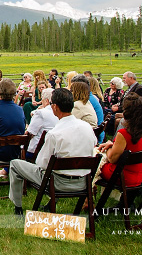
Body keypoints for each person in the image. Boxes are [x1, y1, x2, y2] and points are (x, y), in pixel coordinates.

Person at [8, 88, 98, 216]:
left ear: (55, 107)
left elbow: (41, 164)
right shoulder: (87, 127)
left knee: (15, 164)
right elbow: (93, 145)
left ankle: (18, 207)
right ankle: (49, 205)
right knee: (58, 167)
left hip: (57, 184)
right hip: (83, 182)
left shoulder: (54, 134)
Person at [96, 93, 142, 187]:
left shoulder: (124, 134)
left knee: (94, 163)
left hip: (120, 175)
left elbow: (112, 159)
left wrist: (109, 146)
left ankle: (87, 199)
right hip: (139, 175)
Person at [26, 88, 58, 158]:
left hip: (36, 151)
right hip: (52, 151)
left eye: (42, 100)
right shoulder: (59, 112)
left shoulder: (41, 113)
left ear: (46, 101)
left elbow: (30, 133)